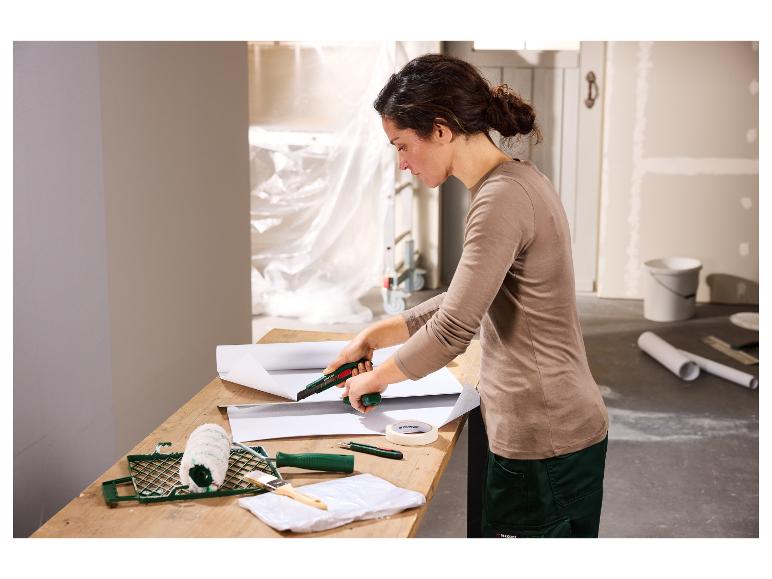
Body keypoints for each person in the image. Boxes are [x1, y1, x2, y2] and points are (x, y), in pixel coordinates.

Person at [323, 54, 609, 538]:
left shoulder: (500, 199)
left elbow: (454, 329)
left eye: (402, 145)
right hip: (554, 432)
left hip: (545, 439)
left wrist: (375, 381)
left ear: (440, 129)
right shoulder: (517, 181)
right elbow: (462, 299)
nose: (402, 163)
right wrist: (374, 335)